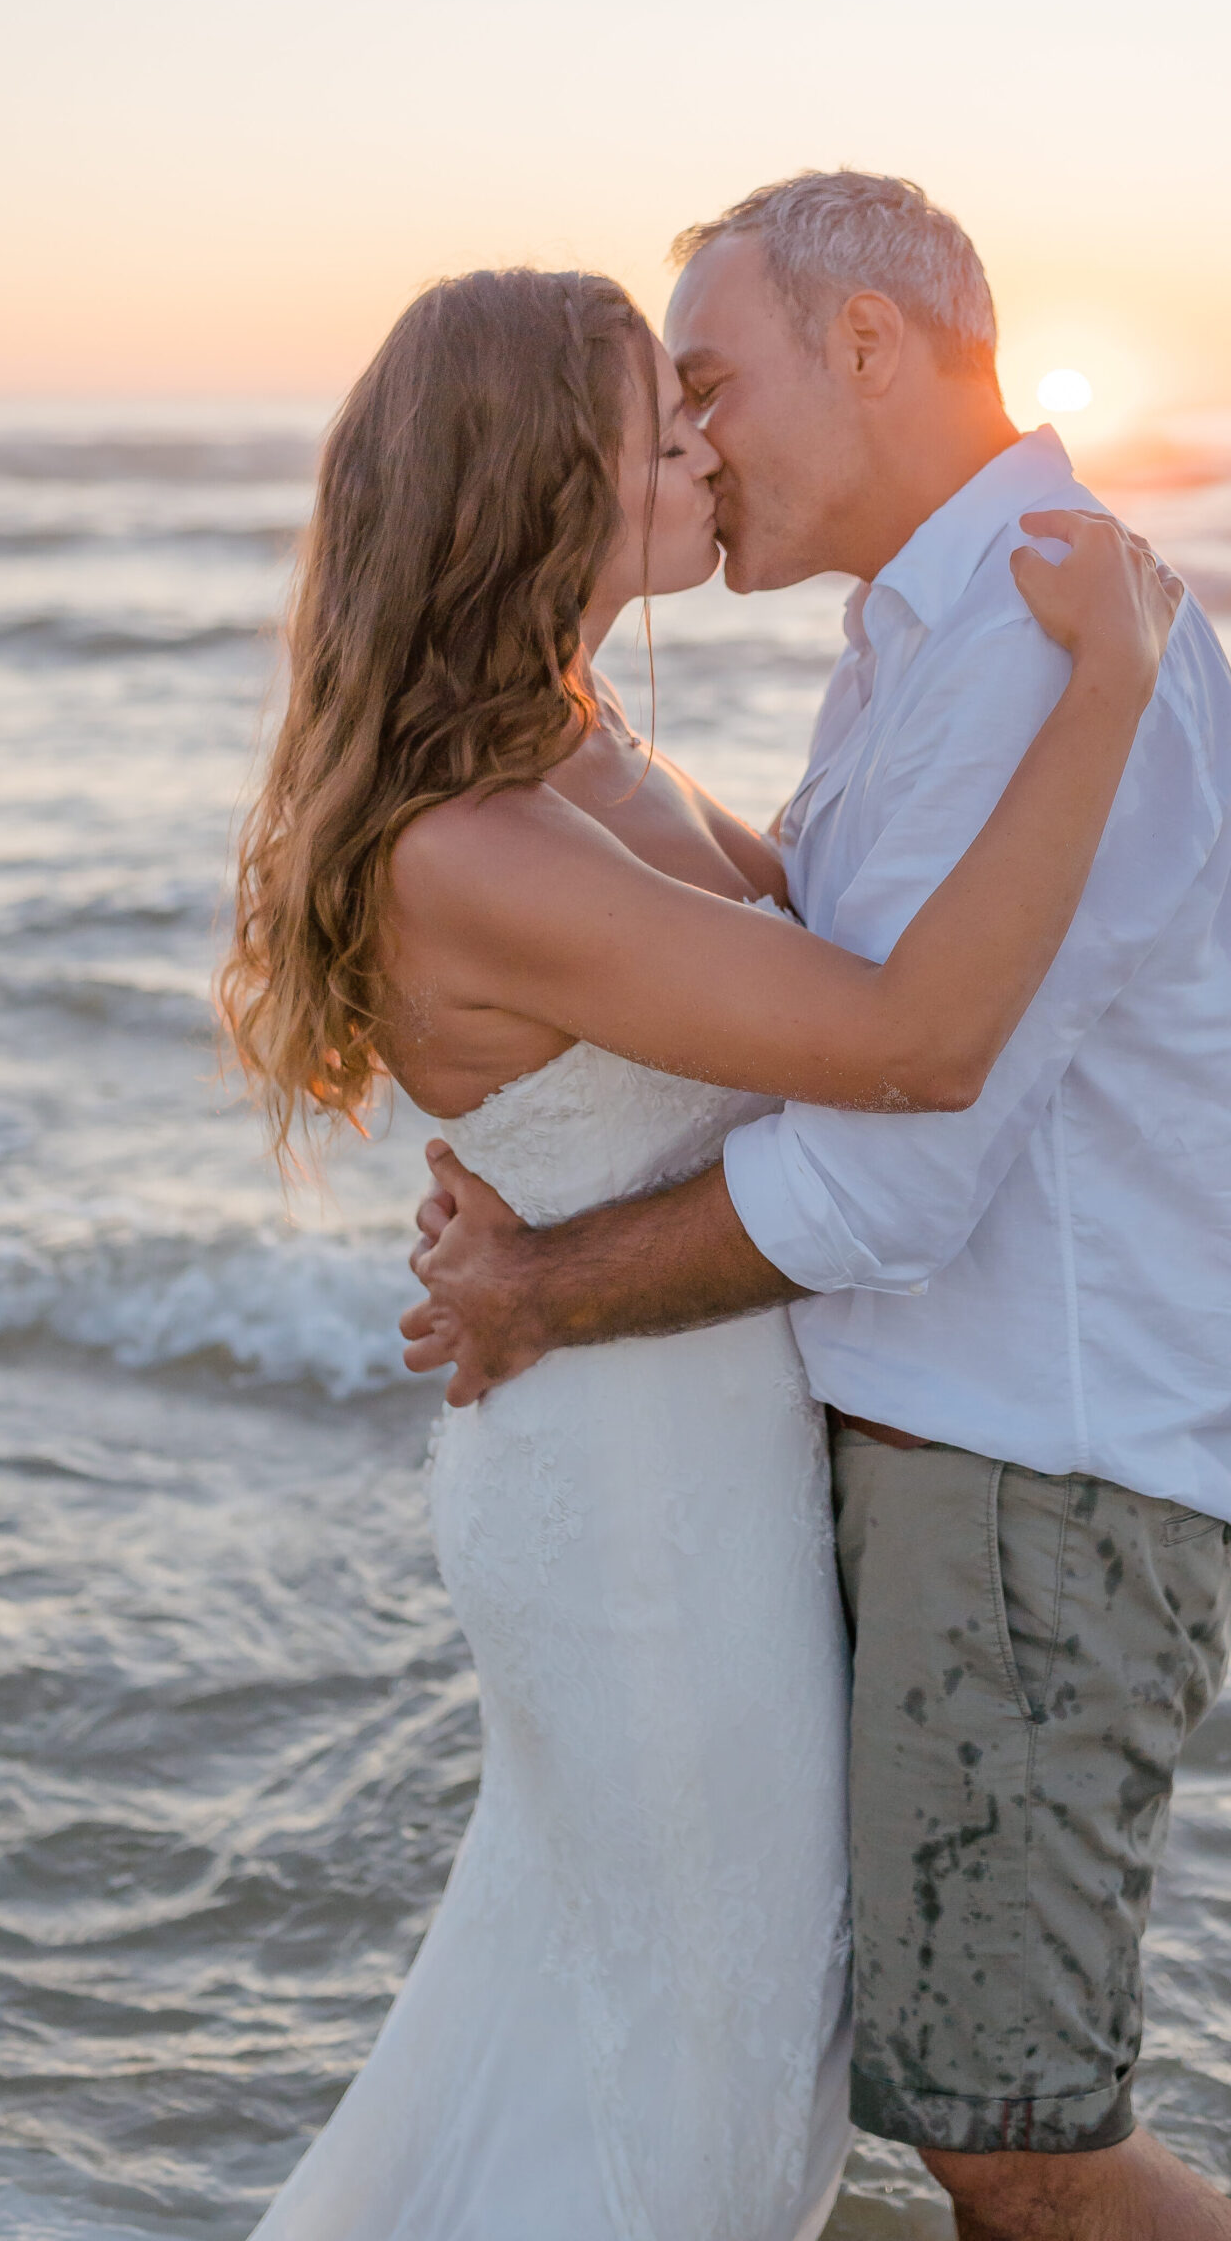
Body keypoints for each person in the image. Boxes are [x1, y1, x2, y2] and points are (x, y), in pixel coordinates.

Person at [220, 254, 1176, 2241]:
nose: (708, 449)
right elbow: (908, 1036)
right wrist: (1109, 687)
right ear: (539, 491)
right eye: (664, 431)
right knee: (699, 2068)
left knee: (659, 2023)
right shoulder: (468, 841)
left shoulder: (579, 739)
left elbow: (813, 949)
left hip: (691, 1458)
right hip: (632, 1512)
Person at [401, 173, 1231, 2241]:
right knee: (957, 2105)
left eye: (713, 385)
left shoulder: (1042, 640)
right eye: (668, 419)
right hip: (938, 1458)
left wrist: (553, 1279)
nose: (699, 445)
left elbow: (901, 1134)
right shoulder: (917, 640)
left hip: (1035, 1462)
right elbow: (791, 968)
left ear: (871, 346)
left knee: (1019, 2138)